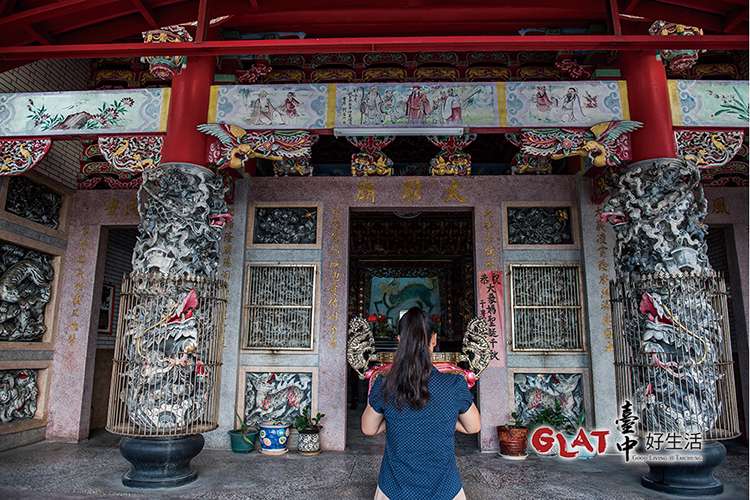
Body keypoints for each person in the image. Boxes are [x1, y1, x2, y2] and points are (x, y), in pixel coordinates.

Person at [361, 307, 481, 500]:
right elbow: (473, 426)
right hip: (445, 490)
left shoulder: (385, 384)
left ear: (400, 341)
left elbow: (368, 428)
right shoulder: (454, 384)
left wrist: (394, 419)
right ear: (433, 339)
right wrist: (444, 417)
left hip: (394, 490)